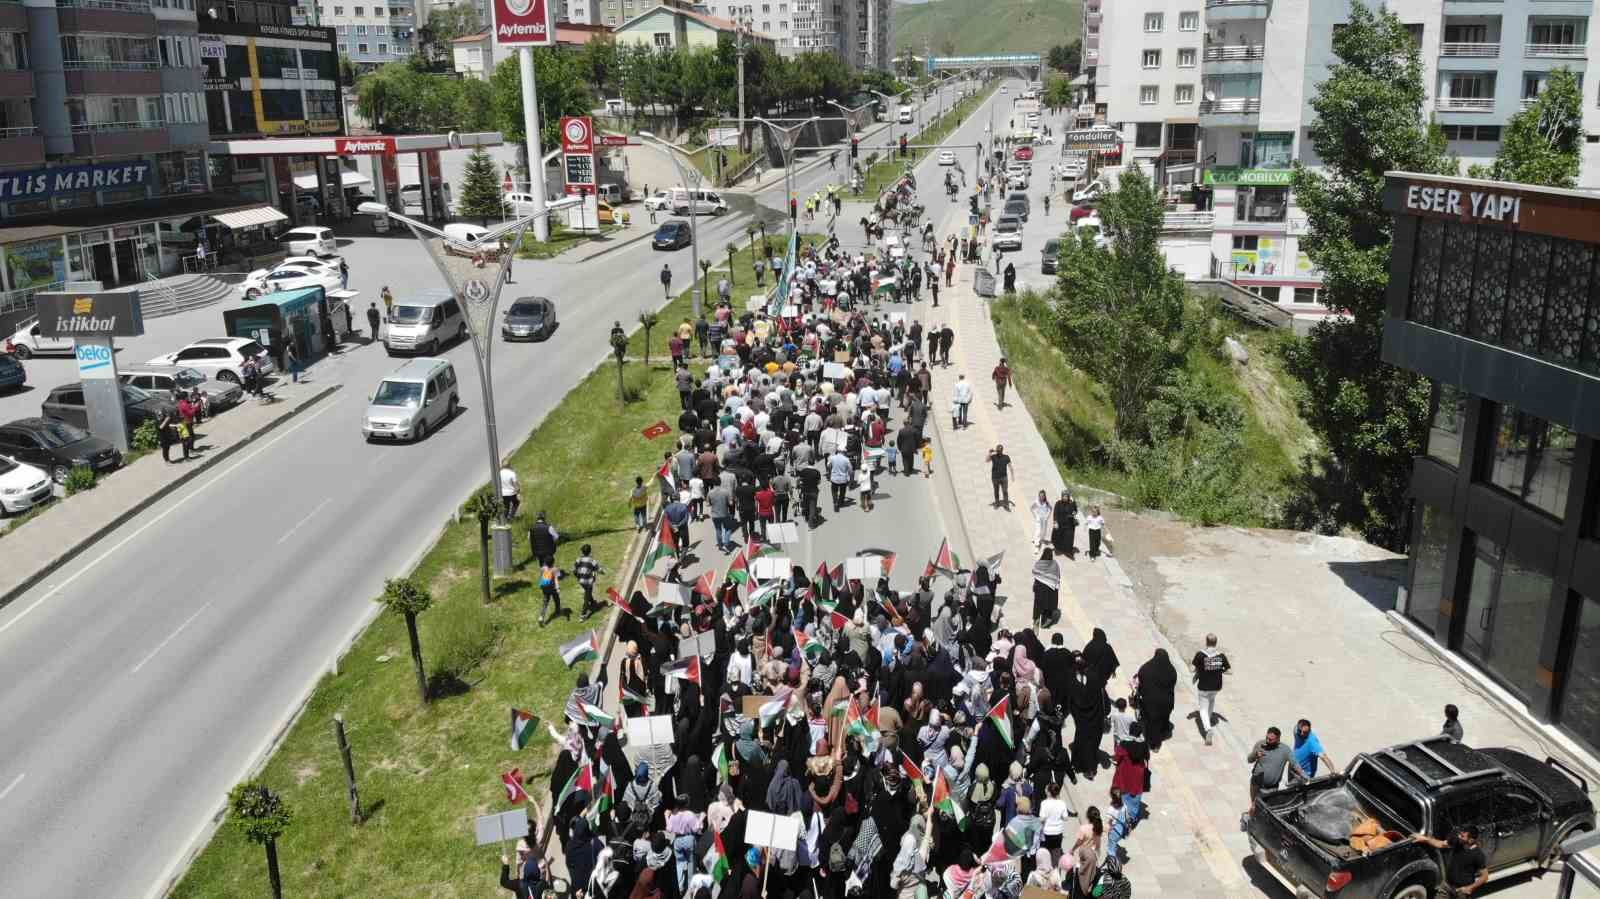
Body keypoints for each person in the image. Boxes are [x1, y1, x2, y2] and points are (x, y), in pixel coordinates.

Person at [1412, 826, 1488, 898]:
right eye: (1460, 834)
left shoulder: (1478, 855)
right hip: (1447, 886)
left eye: (1462, 836)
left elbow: (1484, 877)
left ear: (1471, 840)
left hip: (1461, 891)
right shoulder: (1457, 842)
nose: (1459, 837)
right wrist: (1425, 839)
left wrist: (1470, 888)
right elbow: (1441, 844)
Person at [1246, 727, 1304, 816]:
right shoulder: (1260, 744)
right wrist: (1255, 755)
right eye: (1267, 738)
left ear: (1278, 739)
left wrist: (1303, 774)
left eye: (1271, 739)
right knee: (1254, 805)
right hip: (1256, 783)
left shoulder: (1285, 750)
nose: (1267, 741)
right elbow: (1249, 760)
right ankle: (1250, 819)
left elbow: (1295, 764)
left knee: (1267, 809)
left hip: (1272, 788)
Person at [1191, 633, 1231, 746]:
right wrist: (1218, 669)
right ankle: (1207, 721)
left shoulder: (1200, 655)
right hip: (1216, 686)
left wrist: (1199, 671)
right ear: (1216, 642)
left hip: (1204, 687)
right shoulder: (1221, 656)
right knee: (1212, 701)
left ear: (1206, 642)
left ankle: (1208, 729)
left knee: (1203, 709)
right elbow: (1229, 671)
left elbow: (1193, 669)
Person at [1134, 649, 1178, 751]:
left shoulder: (1146, 668)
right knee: (1163, 717)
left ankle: (1155, 744)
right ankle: (1163, 731)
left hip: (1151, 703)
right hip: (1167, 701)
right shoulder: (1171, 670)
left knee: (1152, 723)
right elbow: (1173, 683)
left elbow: (1141, 679)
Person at [574, 544, 605, 618]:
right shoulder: (592, 561)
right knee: (586, 597)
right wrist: (603, 572)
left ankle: (593, 602)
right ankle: (583, 614)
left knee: (588, 592)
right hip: (588, 582)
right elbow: (599, 570)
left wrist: (578, 577)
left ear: (582, 552)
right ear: (590, 551)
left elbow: (574, 569)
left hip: (581, 581)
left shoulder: (578, 559)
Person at [1052, 490, 1078, 558]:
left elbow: (1075, 510)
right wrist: (1055, 522)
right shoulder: (1058, 503)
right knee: (1058, 536)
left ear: (1068, 496)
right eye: (1064, 496)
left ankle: (1068, 551)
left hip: (1069, 524)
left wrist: (1074, 513)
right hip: (1060, 524)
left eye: (1066, 496)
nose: (1065, 497)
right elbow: (1055, 513)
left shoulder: (1072, 503)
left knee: (1069, 538)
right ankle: (1059, 548)